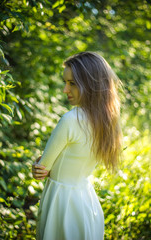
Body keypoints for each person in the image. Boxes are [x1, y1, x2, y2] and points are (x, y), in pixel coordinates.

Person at [32, 51, 122, 240]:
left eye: (72, 83)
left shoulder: (71, 119)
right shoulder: (107, 120)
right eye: (65, 82)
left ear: (90, 84)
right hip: (87, 203)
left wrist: (40, 164)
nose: (65, 90)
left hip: (62, 204)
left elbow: (42, 169)